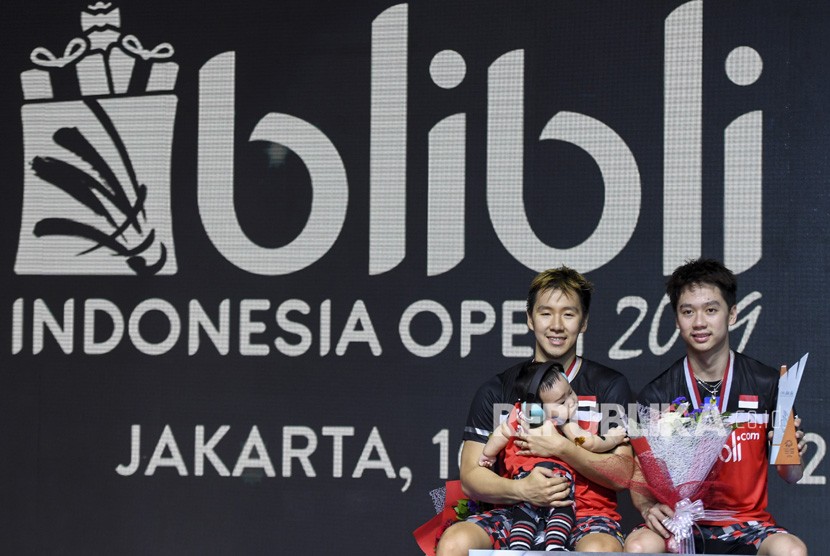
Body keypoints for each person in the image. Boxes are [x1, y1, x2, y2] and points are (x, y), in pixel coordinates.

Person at [436, 266, 634, 555]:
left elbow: (622, 474)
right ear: (529, 319)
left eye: (569, 314)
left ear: (584, 322)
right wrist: (522, 490)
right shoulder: (497, 390)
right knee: (455, 542)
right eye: (545, 313)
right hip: (514, 513)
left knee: (600, 550)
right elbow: (470, 477)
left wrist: (564, 449)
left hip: (587, 518)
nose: (557, 325)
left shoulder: (609, 385)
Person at [624, 258, 808, 556]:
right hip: (682, 520)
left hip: (748, 522)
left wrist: (792, 453)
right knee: (638, 547)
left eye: (711, 310)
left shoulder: (767, 384)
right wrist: (646, 506)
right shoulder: (657, 393)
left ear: (732, 314)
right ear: (676, 320)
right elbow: (639, 472)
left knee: (791, 551)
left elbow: (792, 475)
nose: (699, 322)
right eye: (688, 312)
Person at [478, 360, 628, 551]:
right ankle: (553, 546)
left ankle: (526, 548)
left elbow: (502, 433)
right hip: (539, 485)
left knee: (530, 518)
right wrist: (612, 439)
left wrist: (488, 454)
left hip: (546, 488)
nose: (572, 401)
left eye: (571, 392)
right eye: (562, 402)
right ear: (538, 407)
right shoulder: (566, 425)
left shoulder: (520, 414)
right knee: (555, 515)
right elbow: (590, 442)